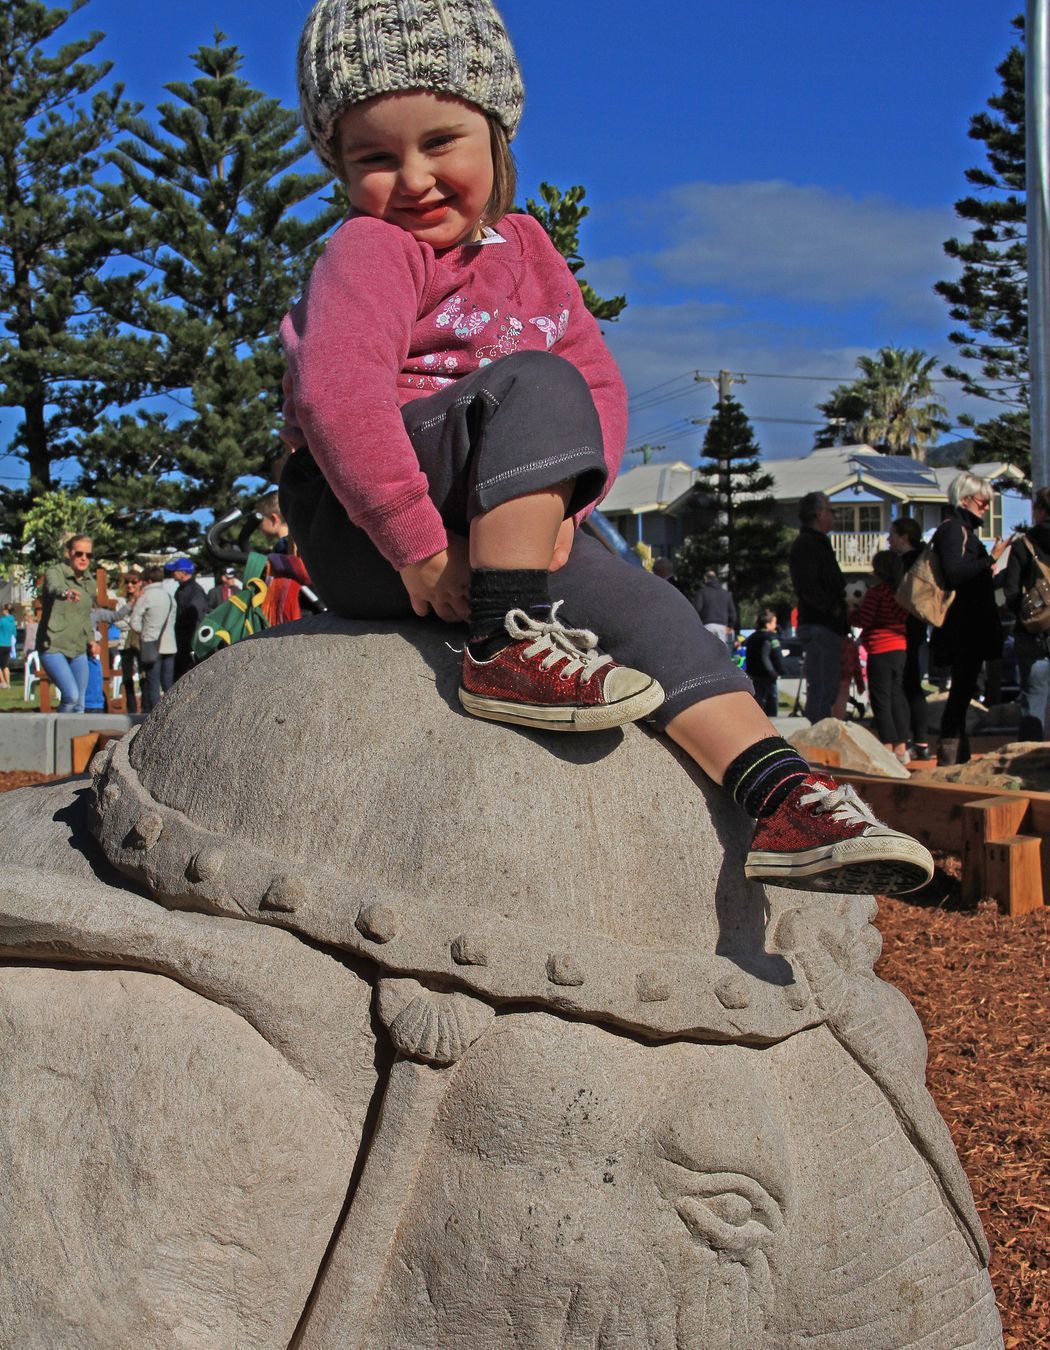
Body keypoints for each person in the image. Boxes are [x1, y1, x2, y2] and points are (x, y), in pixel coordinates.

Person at [276, 0, 934, 896]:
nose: (415, 178)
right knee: (539, 382)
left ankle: (779, 795)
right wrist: (424, 553)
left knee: (653, 607)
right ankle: (505, 644)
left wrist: (565, 505)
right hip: (369, 521)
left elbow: (605, 387)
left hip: (493, 522)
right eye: (375, 159)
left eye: (441, 142)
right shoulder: (370, 249)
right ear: (340, 169)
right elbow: (335, 395)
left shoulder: (533, 250)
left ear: (497, 132)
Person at [930, 473, 1011, 765]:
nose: (986, 507)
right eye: (982, 501)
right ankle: (949, 758)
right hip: (963, 629)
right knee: (960, 693)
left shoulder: (962, 529)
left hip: (968, 627)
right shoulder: (954, 530)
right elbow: (954, 573)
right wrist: (991, 559)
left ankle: (957, 757)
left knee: (964, 692)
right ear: (965, 499)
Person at [789, 492, 847, 725]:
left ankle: (820, 729)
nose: (833, 516)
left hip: (826, 624)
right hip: (819, 624)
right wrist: (830, 608)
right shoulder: (807, 545)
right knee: (822, 686)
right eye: (831, 510)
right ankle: (817, 737)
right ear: (819, 513)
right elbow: (807, 585)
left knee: (827, 685)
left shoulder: (817, 543)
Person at [1001, 485, 1050, 740]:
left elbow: (1010, 595)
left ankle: (1028, 765)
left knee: (1033, 700)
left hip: (1033, 636)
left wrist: (1030, 611)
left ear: (1039, 511)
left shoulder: (1024, 546)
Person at [856, 551, 911, 763]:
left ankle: (887, 745)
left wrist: (852, 613)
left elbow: (865, 619)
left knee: (881, 699)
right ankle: (902, 746)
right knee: (898, 697)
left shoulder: (876, 593)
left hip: (879, 649)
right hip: (900, 647)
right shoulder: (902, 593)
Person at [887, 517, 932, 759]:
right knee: (914, 687)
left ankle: (904, 742)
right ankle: (921, 742)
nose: (888, 539)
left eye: (892, 534)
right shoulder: (924, 561)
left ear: (904, 537)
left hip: (900, 633)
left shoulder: (903, 566)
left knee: (904, 689)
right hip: (918, 630)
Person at [37, 535, 95, 713]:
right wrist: (66, 593)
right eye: (79, 553)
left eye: (88, 555)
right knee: (71, 696)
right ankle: (59, 739)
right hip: (53, 646)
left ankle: (75, 741)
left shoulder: (90, 583)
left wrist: (92, 641)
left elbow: (86, 616)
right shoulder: (56, 572)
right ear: (69, 553)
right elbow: (54, 587)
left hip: (78, 648)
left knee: (80, 704)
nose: (84, 558)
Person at [130, 567, 177, 713]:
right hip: (170, 644)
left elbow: (134, 621)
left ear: (148, 580)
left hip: (152, 644)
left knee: (153, 684)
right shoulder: (170, 596)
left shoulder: (146, 596)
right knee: (168, 684)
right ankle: (170, 713)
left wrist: (144, 632)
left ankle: (156, 715)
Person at [165, 558, 208, 680]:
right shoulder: (181, 589)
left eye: (175, 570)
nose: (172, 573)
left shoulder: (195, 591)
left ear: (183, 572)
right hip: (180, 640)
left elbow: (196, 617)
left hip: (189, 642)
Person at [743, 610, 786, 716]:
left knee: (758, 698)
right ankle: (772, 719)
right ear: (768, 624)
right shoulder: (767, 638)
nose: (776, 626)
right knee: (772, 697)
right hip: (767, 675)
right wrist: (772, 671)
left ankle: (757, 719)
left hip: (754, 673)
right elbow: (765, 656)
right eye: (774, 623)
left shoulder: (753, 637)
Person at [113, 572, 145, 714]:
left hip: (141, 641)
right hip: (124, 642)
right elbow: (118, 621)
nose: (130, 585)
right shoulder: (121, 601)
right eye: (127, 582)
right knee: (127, 676)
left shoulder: (145, 598)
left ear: (139, 583)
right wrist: (130, 608)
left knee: (144, 675)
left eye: (133, 582)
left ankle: (146, 706)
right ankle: (131, 708)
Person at [692, 568, 738, 649]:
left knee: (707, 652)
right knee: (721, 653)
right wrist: (730, 626)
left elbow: (696, 609)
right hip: (722, 627)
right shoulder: (725, 594)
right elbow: (733, 614)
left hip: (707, 625)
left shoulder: (702, 592)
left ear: (705, 578)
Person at [0, 604, 16, 689]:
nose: (2, 611)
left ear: (6, 610)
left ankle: (3, 682)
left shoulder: (2, 621)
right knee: (5, 665)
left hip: (0, 644)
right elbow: (14, 634)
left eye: (3, 609)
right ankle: (8, 683)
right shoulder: (12, 621)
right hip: (8, 645)